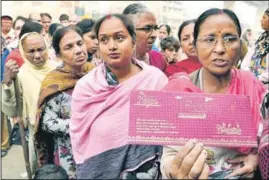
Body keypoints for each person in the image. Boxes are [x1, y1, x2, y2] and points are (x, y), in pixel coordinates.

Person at [160, 8, 266, 179]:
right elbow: (169, 156)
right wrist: (177, 172)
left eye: (230, 39)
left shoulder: (252, 85)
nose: (220, 49)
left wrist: (257, 158)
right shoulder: (179, 89)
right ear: (195, 45)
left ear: (240, 44)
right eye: (209, 39)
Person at [70, 14, 168, 179]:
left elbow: (168, 131)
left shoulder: (155, 80)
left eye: (119, 38)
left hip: (148, 170)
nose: (112, 46)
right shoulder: (86, 88)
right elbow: (80, 139)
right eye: (104, 40)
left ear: (133, 41)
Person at [34, 26, 95, 179]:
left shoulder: (97, 74)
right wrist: (81, 125)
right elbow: (47, 123)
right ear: (59, 54)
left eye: (80, 43)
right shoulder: (54, 81)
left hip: (97, 150)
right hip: (69, 153)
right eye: (69, 47)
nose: (78, 50)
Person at [2, 32, 56, 174]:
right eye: (31, 51)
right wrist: (7, 82)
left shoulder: (59, 70)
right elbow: (12, 110)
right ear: (23, 52)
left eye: (41, 49)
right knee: (41, 172)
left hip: (62, 133)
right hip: (37, 133)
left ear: (47, 48)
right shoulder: (20, 75)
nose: (37, 55)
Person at [123, 3, 167, 73]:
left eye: (155, 28)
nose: (154, 35)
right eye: (147, 28)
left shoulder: (159, 59)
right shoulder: (117, 62)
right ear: (128, 31)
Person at [241, 8, 269, 87]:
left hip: (264, 87)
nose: (261, 20)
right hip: (251, 83)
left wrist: (258, 78)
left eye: (264, 17)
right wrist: (248, 75)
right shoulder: (261, 38)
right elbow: (247, 59)